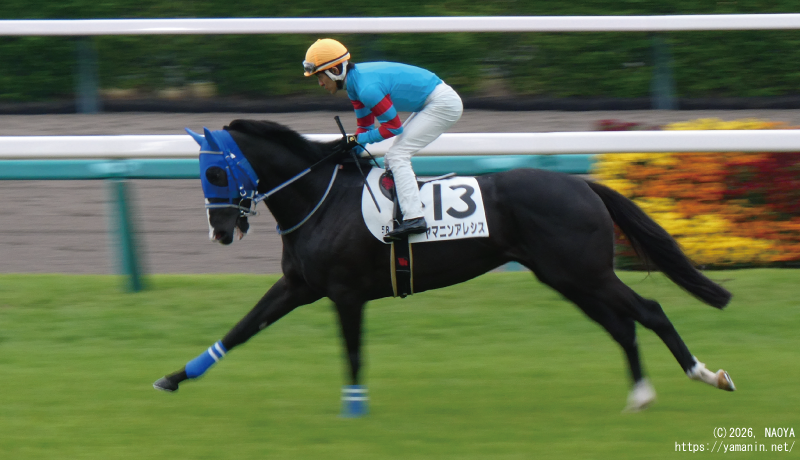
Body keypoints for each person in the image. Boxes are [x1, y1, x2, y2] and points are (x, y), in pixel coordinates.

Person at [303, 38, 463, 241]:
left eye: (319, 76)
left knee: (397, 155)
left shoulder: (366, 89)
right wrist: (349, 151)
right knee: (392, 158)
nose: (319, 83)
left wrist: (355, 140)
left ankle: (415, 218)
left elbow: (394, 127)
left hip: (443, 104)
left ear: (335, 71)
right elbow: (365, 128)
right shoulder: (354, 86)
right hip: (430, 102)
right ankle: (404, 211)